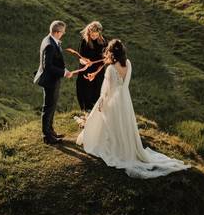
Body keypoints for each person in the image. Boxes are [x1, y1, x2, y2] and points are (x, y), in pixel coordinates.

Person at [76, 39, 189, 178]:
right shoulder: (128, 64)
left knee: (104, 120)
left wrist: (101, 102)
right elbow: (124, 84)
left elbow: (107, 90)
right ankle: (125, 144)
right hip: (125, 98)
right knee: (124, 122)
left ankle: (110, 144)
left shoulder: (111, 68)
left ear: (111, 53)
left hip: (113, 99)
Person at [32, 20, 73, 144]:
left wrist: (64, 69)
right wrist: (63, 73)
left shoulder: (50, 39)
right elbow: (47, 66)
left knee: (52, 106)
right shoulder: (49, 45)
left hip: (53, 79)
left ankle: (50, 131)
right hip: (50, 80)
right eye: (62, 32)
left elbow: (55, 61)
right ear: (56, 32)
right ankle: (47, 136)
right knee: (48, 107)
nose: (63, 34)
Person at [75, 21, 107, 111]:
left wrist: (105, 58)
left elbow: (106, 54)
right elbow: (80, 57)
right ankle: (86, 109)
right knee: (86, 90)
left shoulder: (103, 41)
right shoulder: (84, 41)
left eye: (96, 35)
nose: (94, 37)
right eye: (92, 35)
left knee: (97, 89)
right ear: (89, 32)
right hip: (86, 69)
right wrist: (85, 62)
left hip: (98, 70)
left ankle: (97, 110)